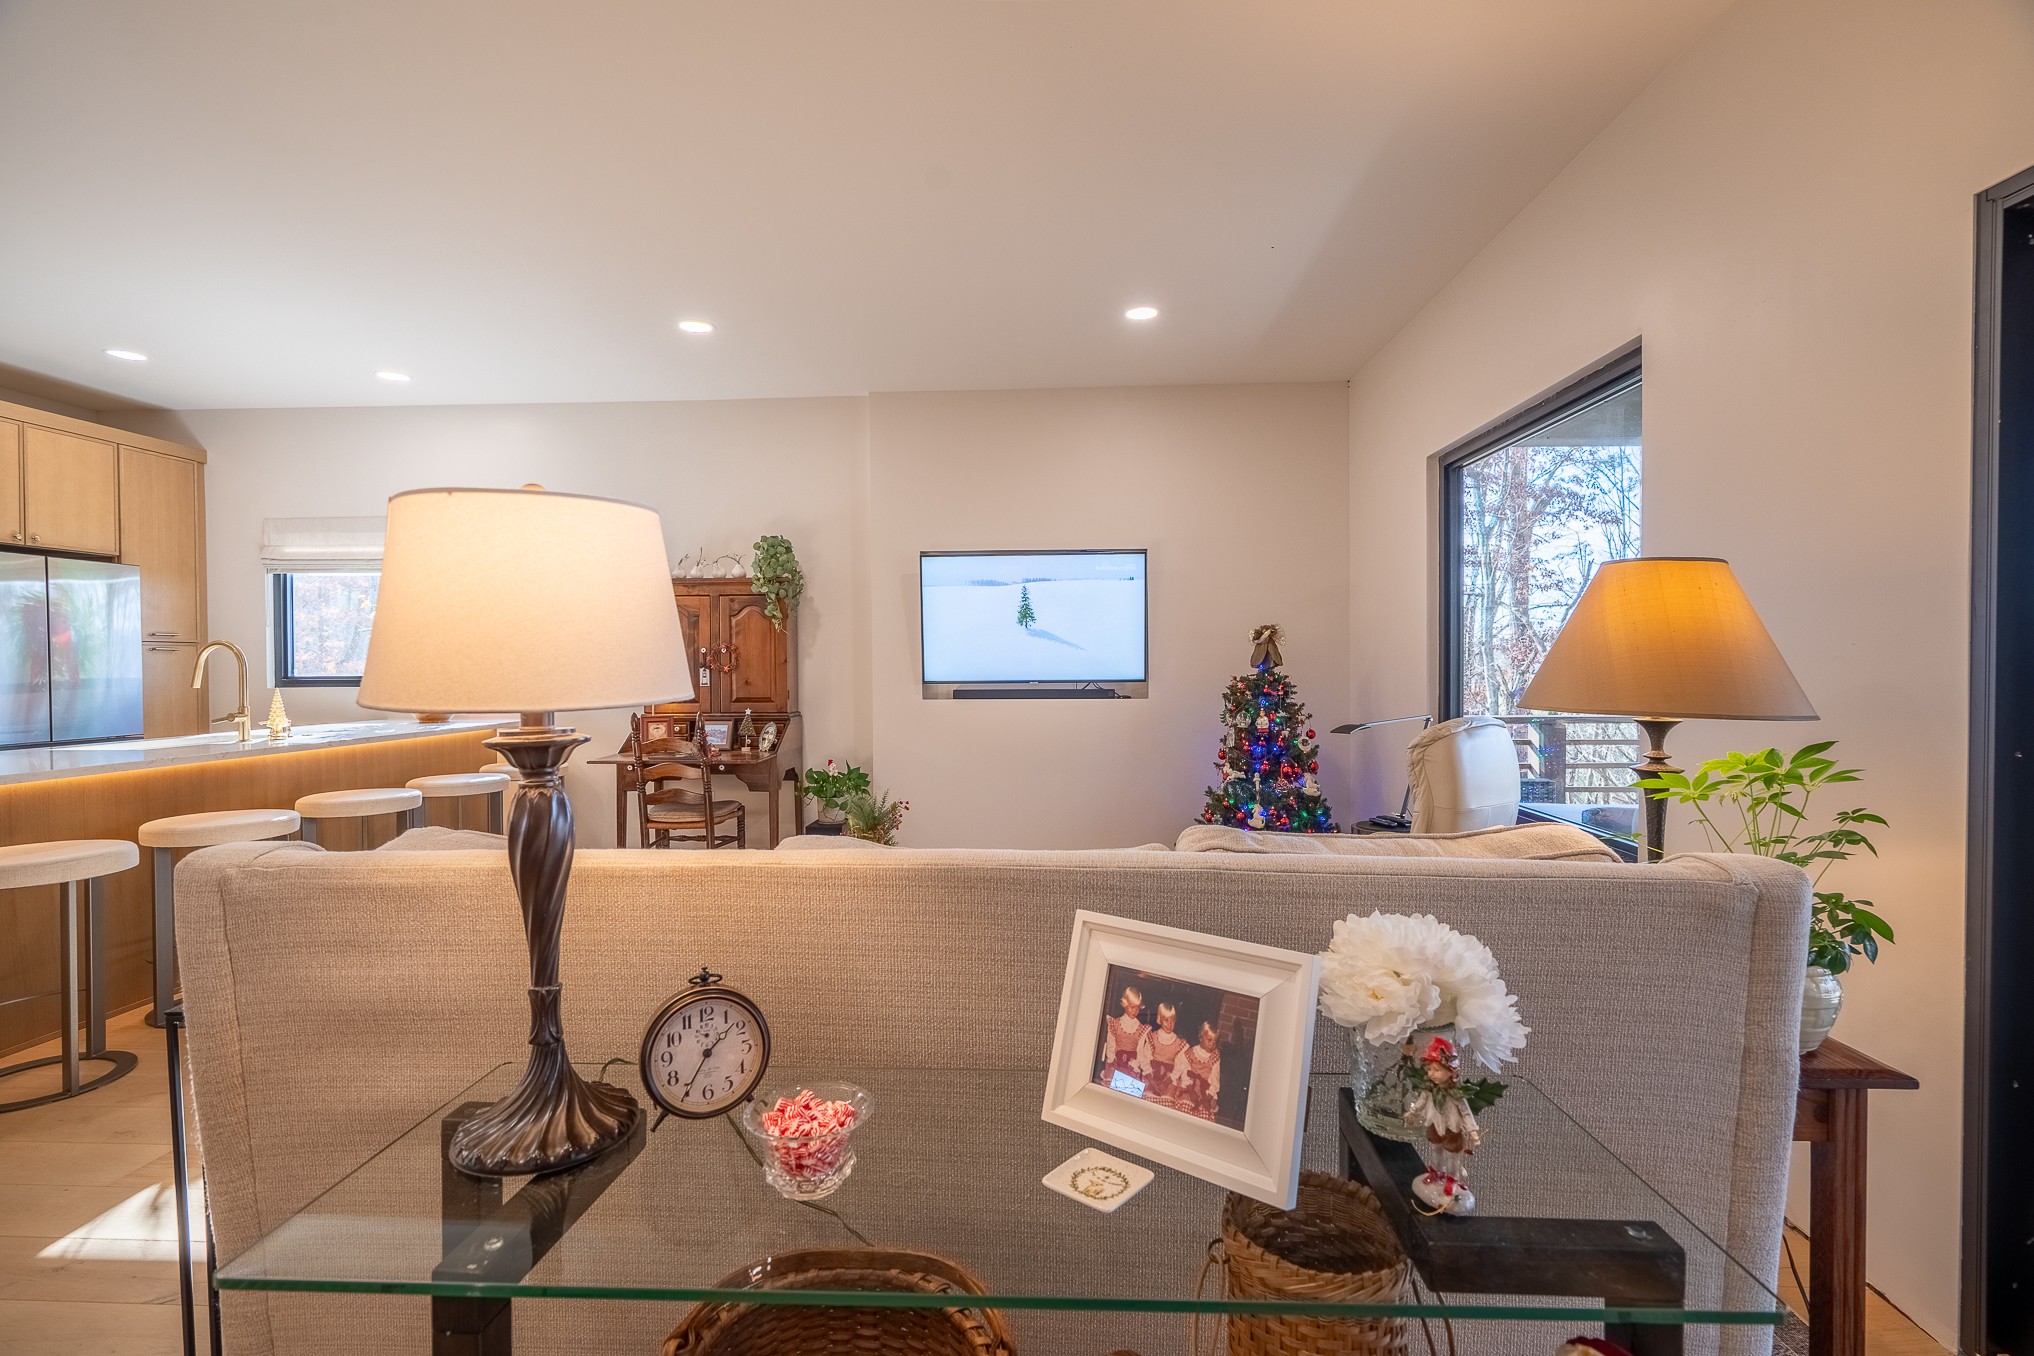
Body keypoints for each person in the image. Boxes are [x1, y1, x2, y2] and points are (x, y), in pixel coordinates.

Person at [1136, 1002, 1192, 1107]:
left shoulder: (1179, 1043)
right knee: (1144, 1098)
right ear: (1159, 1019)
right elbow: (1145, 1059)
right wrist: (1151, 1080)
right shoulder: (1152, 1037)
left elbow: (1180, 1066)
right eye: (1166, 1020)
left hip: (1169, 1078)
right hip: (1152, 1075)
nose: (1170, 1024)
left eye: (1172, 1020)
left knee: (1166, 1101)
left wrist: (1168, 1081)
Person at [1096, 985, 1150, 1089]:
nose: (1135, 1011)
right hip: (1116, 1062)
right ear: (1125, 1004)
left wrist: (1136, 1064)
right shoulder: (1115, 1024)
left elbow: (1140, 1051)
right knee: (1113, 1083)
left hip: (1132, 1064)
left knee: (1131, 1087)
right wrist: (1111, 1061)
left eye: (1137, 1008)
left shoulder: (1141, 1029)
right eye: (1132, 1007)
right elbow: (1111, 1046)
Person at [1178, 1020, 1223, 1120]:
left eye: (1215, 1041)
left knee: (1205, 1114)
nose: (1212, 1044)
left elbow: (1215, 1080)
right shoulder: (1190, 1053)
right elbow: (1185, 1073)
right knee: (1185, 1108)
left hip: (1205, 1091)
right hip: (1189, 1088)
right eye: (1209, 1040)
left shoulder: (1214, 1057)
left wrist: (1208, 1098)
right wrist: (1191, 1090)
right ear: (1201, 1037)